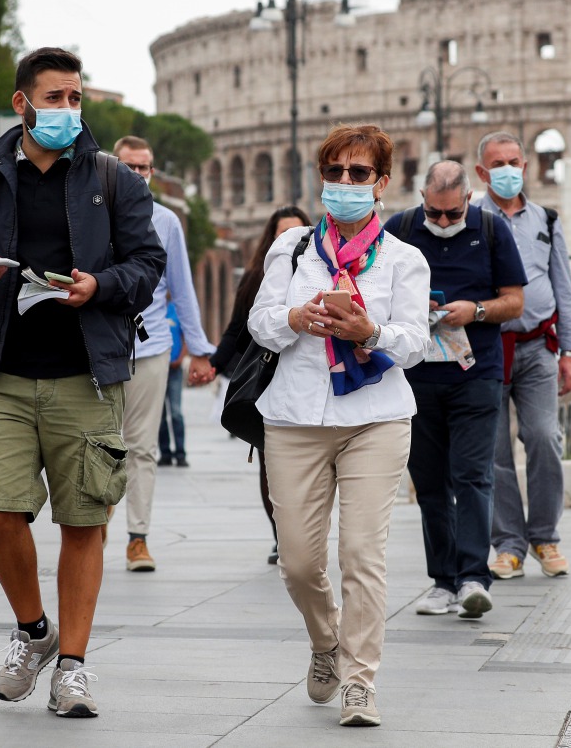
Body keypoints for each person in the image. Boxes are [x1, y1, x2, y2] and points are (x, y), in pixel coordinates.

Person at [0, 47, 166, 718]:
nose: (68, 109)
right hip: (3, 373)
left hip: (86, 375)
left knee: (83, 521)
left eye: (75, 98)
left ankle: (72, 666)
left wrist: (99, 286)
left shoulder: (114, 179)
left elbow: (146, 265)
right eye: (56, 97)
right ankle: (33, 632)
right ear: (22, 102)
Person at [247, 124, 430, 727]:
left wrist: (368, 332)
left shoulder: (405, 258)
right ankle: (325, 641)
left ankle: (358, 680)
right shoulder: (292, 248)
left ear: (382, 183)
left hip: (374, 417)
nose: (344, 184)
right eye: (334, 173)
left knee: (361, 553)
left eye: (358, 174)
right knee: (298, 562)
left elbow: (415, 342)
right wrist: (298, 317)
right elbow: (261, 322)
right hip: (295, 416)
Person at [383, 161, 526, 620]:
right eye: (434, 212)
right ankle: (442, 581)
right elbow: (373, 290)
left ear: (468, 200)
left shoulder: (491, 229)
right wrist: (409, 306)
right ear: (421, 198)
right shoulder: (400, 228)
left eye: (451, 213)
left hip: (476, 374)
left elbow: (515, 301)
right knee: (429, 484)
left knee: (473, 476)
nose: (442, 222)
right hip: (417, 376)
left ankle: (472, 579)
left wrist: (476, 310)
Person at [475, 131, 571, 581]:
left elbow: (563, 286)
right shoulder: (470, 218)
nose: (506, 170)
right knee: (494, 450)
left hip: (539, 346)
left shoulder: (547, 219)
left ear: (526, 166)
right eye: (496, 163)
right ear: (482, 173)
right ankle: (509, 545)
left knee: (543, 436)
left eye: (513, 161)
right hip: (486, 348)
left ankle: (545, 536)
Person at [111, 135, 216, 573]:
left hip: (152, 346)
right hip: (96, 348)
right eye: (130, 167)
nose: (139, 174)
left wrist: (201, 351)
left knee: (142, 447)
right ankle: (94, 527)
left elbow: (182, 289)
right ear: (112, 168)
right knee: (97, 446)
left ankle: (138, 538)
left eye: (145, 167)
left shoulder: (167, 222)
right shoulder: (89, 212)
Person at [210, 205, 312, 565]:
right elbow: (237, 329)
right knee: (271, 463)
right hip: (268, 381)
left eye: (296, 233)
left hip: (311, 380)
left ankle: (306, 536)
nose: (287, 240)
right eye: (280, 234)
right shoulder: (256, 277)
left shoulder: (321, 273)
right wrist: (213, 364)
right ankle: (281, 536)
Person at [157, 300, 186, 467]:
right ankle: (165, 453)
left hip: (175, 369)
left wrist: (181, 359)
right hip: (159, 368)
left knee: (176, 412)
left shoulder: (176, 309)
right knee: (160, 414)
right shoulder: (154, 307)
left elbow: (185, 337)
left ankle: (181, 453)